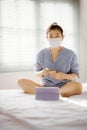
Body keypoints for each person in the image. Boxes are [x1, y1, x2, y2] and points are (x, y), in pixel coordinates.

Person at [18, 22, 82, 97]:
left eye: (57, 35)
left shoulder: (70, 54)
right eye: (51, 36)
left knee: (78, 86)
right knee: (21, 81)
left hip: (64, 87)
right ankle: (53, 94)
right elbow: (36, 73)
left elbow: (76, 75)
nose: (54, 38)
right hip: (45, 87)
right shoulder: (41, 53)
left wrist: (64, 76)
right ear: (47, 38)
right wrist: (42, 72)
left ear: (62, 37)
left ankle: (46, 94)